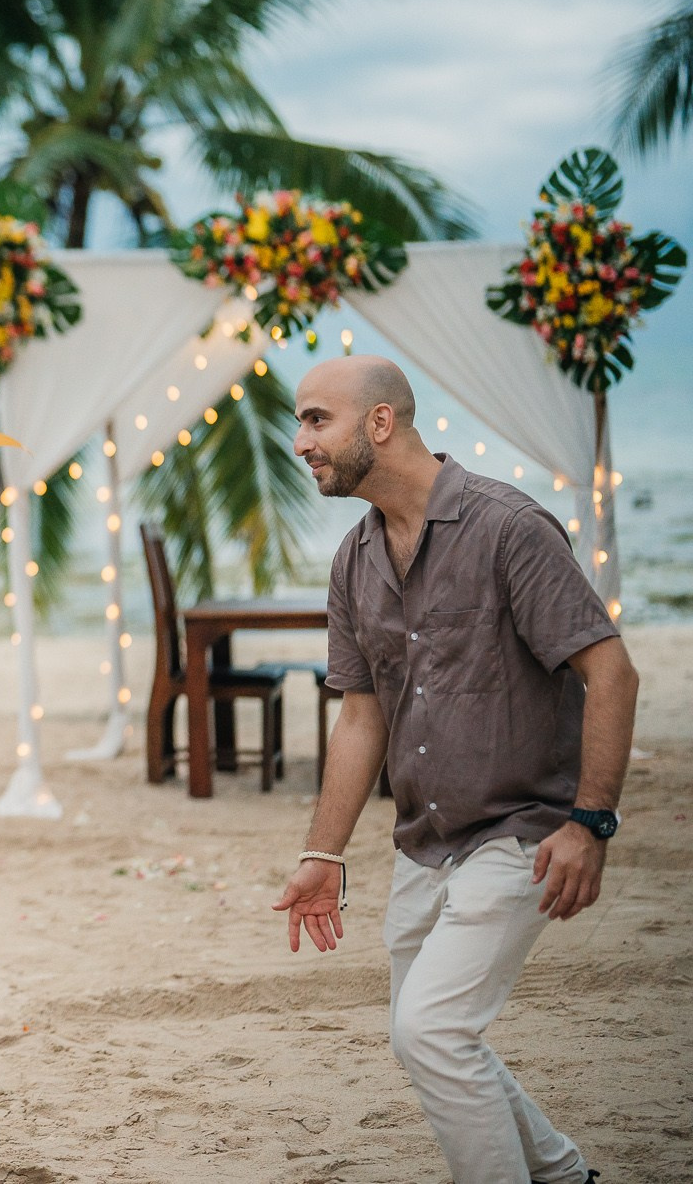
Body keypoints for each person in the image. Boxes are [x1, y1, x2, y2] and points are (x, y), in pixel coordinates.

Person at [273, 356, 637, 1184]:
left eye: (317, 420)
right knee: (428, 1032)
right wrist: (322, 854)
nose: (300, 441)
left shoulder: (509, 527)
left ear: (380, 423)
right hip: (425, 841)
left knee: (431, 1032)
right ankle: (563, 1172)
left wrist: (592, 822)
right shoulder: (353, 561)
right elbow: (361, 715)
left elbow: (612, 673)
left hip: (522, 831)